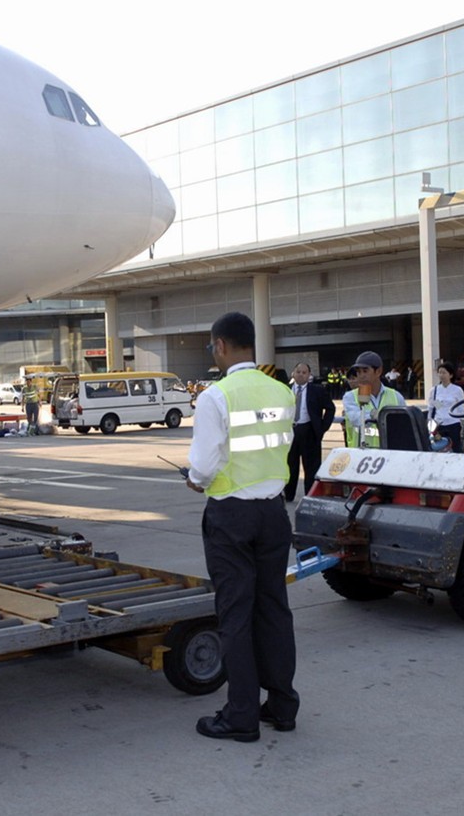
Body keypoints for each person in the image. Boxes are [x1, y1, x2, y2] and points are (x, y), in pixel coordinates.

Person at [184, 312, 297, 743]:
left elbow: (206, 464)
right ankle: (282, 706)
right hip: (273, 512)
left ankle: (241, 715)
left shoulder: (216, 396)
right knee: (274, 610)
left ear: (220, 346)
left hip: (231, 515)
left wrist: (195, 480)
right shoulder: (282, 391)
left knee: (235, 614)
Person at [285, 362, 337, 502]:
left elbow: (330, 408)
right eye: (298, 372)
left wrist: (322, 427)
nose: (301, 375)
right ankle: (288, 495)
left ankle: (310, 496)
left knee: (311, 467)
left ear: (309, 375)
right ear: (293, 373)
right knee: (290, 465)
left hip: (309, 431)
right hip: (290, 431)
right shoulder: (285, 390)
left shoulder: (317, 391)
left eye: (304, 372)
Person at [342, 351, 405, 449]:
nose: (361, 375)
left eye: (365, 371)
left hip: (390, 454)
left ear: (378, 371)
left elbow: (403, 425)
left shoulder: (396, 396)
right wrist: (375, 415)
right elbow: (356, 418)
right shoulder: (350, 397)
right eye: (358, 372)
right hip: (361, 455)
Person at [429, 361, 464, 453]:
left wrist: (463, 423)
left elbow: (461, 408)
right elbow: (432, 408)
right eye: (440, 372)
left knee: (455, 448)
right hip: (439, 424)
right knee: (439, 448)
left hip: (453, 424)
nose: (441, 375)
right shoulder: (434, 390)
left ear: (451, 375)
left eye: (444, 372)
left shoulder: (457, 390)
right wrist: (430, 424)